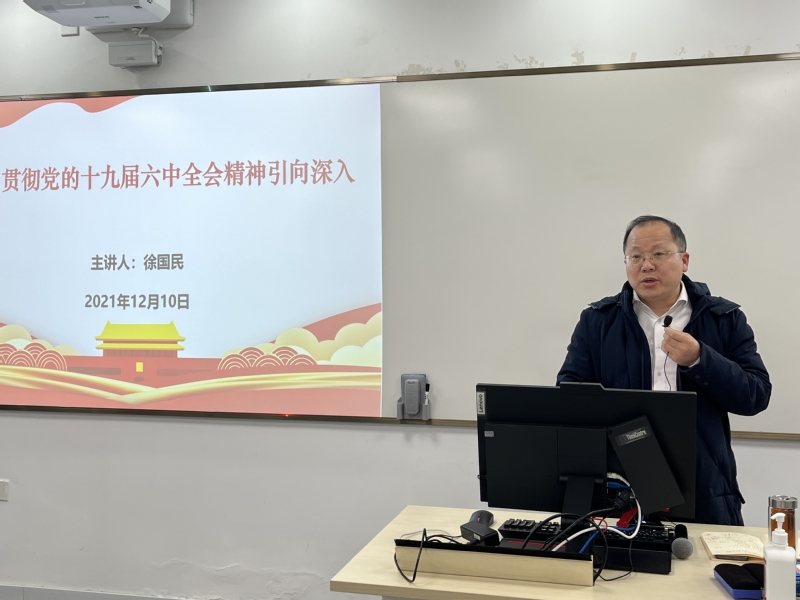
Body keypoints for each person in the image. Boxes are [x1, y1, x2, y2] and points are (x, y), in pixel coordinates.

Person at [557, 215, 770, 525]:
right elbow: (569, 397)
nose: (647, 265)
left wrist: (700, 359)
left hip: (704, 484)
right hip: (618, 487)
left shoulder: (723, 318)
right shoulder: (598, 321)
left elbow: (756, 395)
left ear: (684, 260)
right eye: (636, 256)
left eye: (658, 253)